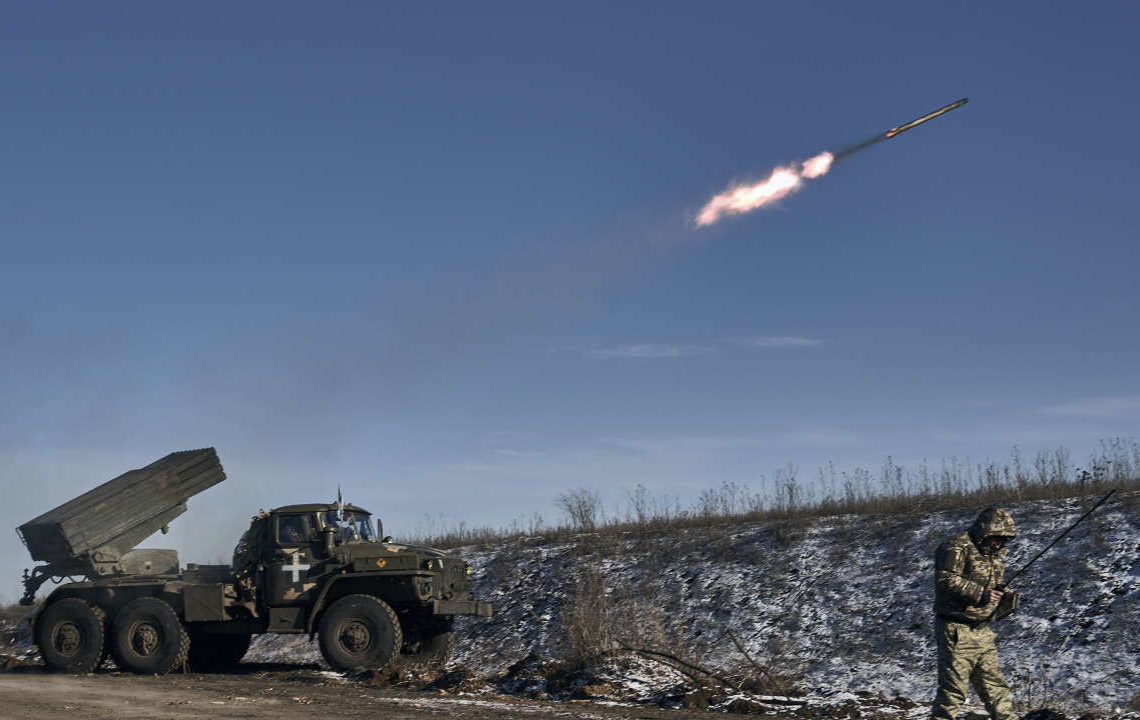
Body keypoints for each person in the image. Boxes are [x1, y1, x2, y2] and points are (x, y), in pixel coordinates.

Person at [931, 506, 1018, 720]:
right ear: (985, 532)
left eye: (1003, 539)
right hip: (957, 631)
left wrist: (1003, 595)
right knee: (953, 694)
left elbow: (991, 584)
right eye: (996, 537)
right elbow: (946, 579)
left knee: (996, 689)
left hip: (982, 630)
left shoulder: (995, 555)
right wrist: (981, 594)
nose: (999, 543)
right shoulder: (956, 546)